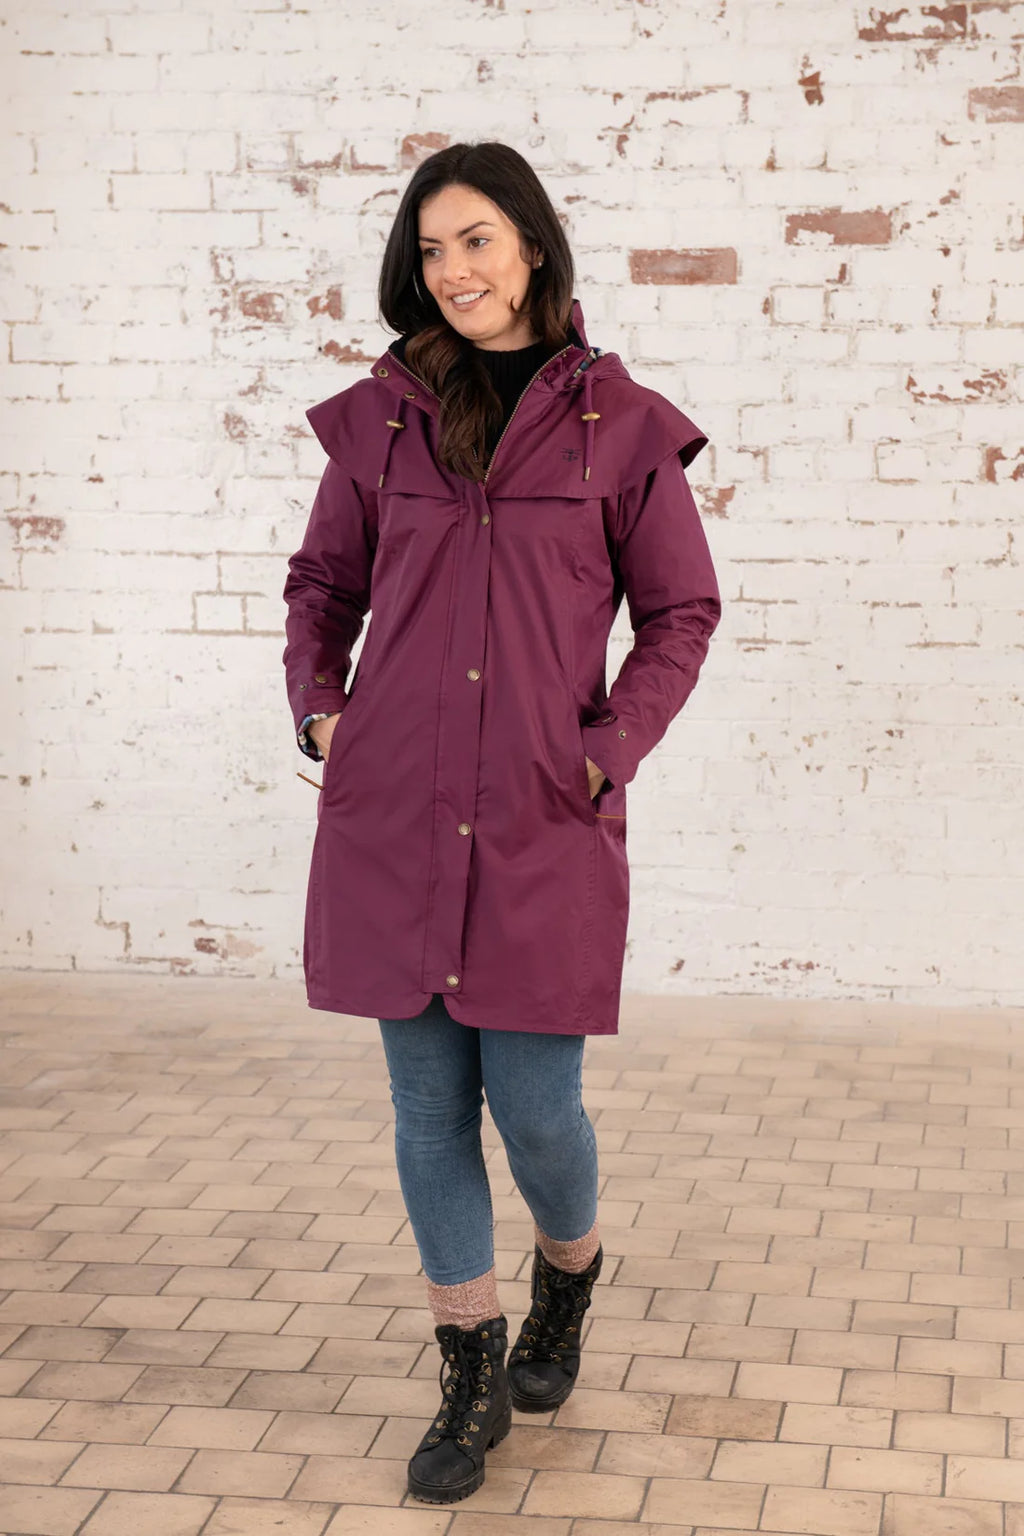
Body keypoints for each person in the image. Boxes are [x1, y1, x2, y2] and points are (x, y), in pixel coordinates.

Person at [282, 140, 721, 1505]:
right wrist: (320, 710)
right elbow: (320, 584)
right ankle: (468, 1362)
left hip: (540, 817)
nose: (453, 270)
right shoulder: (383, 419)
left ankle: (568, 1278)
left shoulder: (623, 427)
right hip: (394, 814)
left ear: (532, 245)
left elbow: (682, 612)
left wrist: (610, 752)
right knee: (426, 1111)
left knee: (536, 1115)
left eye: (475, 240)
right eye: (430, 250)